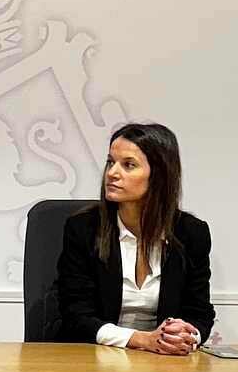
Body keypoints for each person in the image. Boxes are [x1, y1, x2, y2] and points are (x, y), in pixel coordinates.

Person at [55, 123, 214, 354]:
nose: (112, 173)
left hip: (163, 364)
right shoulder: (83, 229)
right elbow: (76, 315)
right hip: (94, 359)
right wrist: (142, 339)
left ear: (159, 175)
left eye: (128, 165)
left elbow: (200, 313)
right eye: (110, 162)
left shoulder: (191, 233)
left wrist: (186, 334)